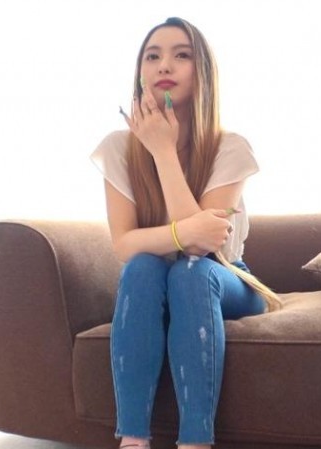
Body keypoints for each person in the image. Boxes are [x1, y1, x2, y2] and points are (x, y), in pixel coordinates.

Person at [90, 17, 282, 449]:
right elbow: (124, 244)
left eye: (181, 55)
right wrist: (187, 229)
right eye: (152, 56)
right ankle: (132, 440)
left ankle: (196, 442)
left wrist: (163, 151)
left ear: (202, 74)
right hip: (155, 277)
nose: (164, 65)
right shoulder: (118, 148)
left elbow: (204, 248)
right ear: (140, 72)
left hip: (224, 276)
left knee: (190, 272)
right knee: (142, 267)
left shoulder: (230, 147)